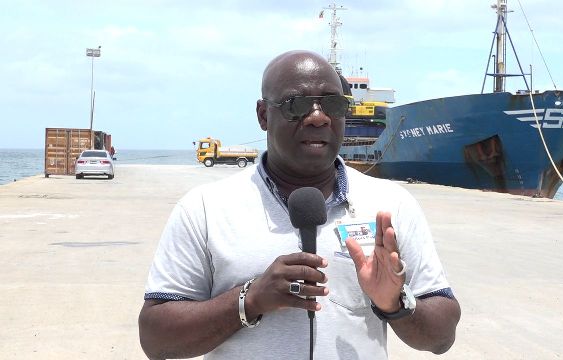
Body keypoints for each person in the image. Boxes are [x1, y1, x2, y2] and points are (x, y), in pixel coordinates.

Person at [138, 50, 461, 360]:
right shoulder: (205, 208)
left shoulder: (391, 205)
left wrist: (395, 303)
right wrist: (250, 300)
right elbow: (156, 340)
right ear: (264, 115)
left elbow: (441, 338)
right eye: (297, 104)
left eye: (333, 104)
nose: (319, 117)